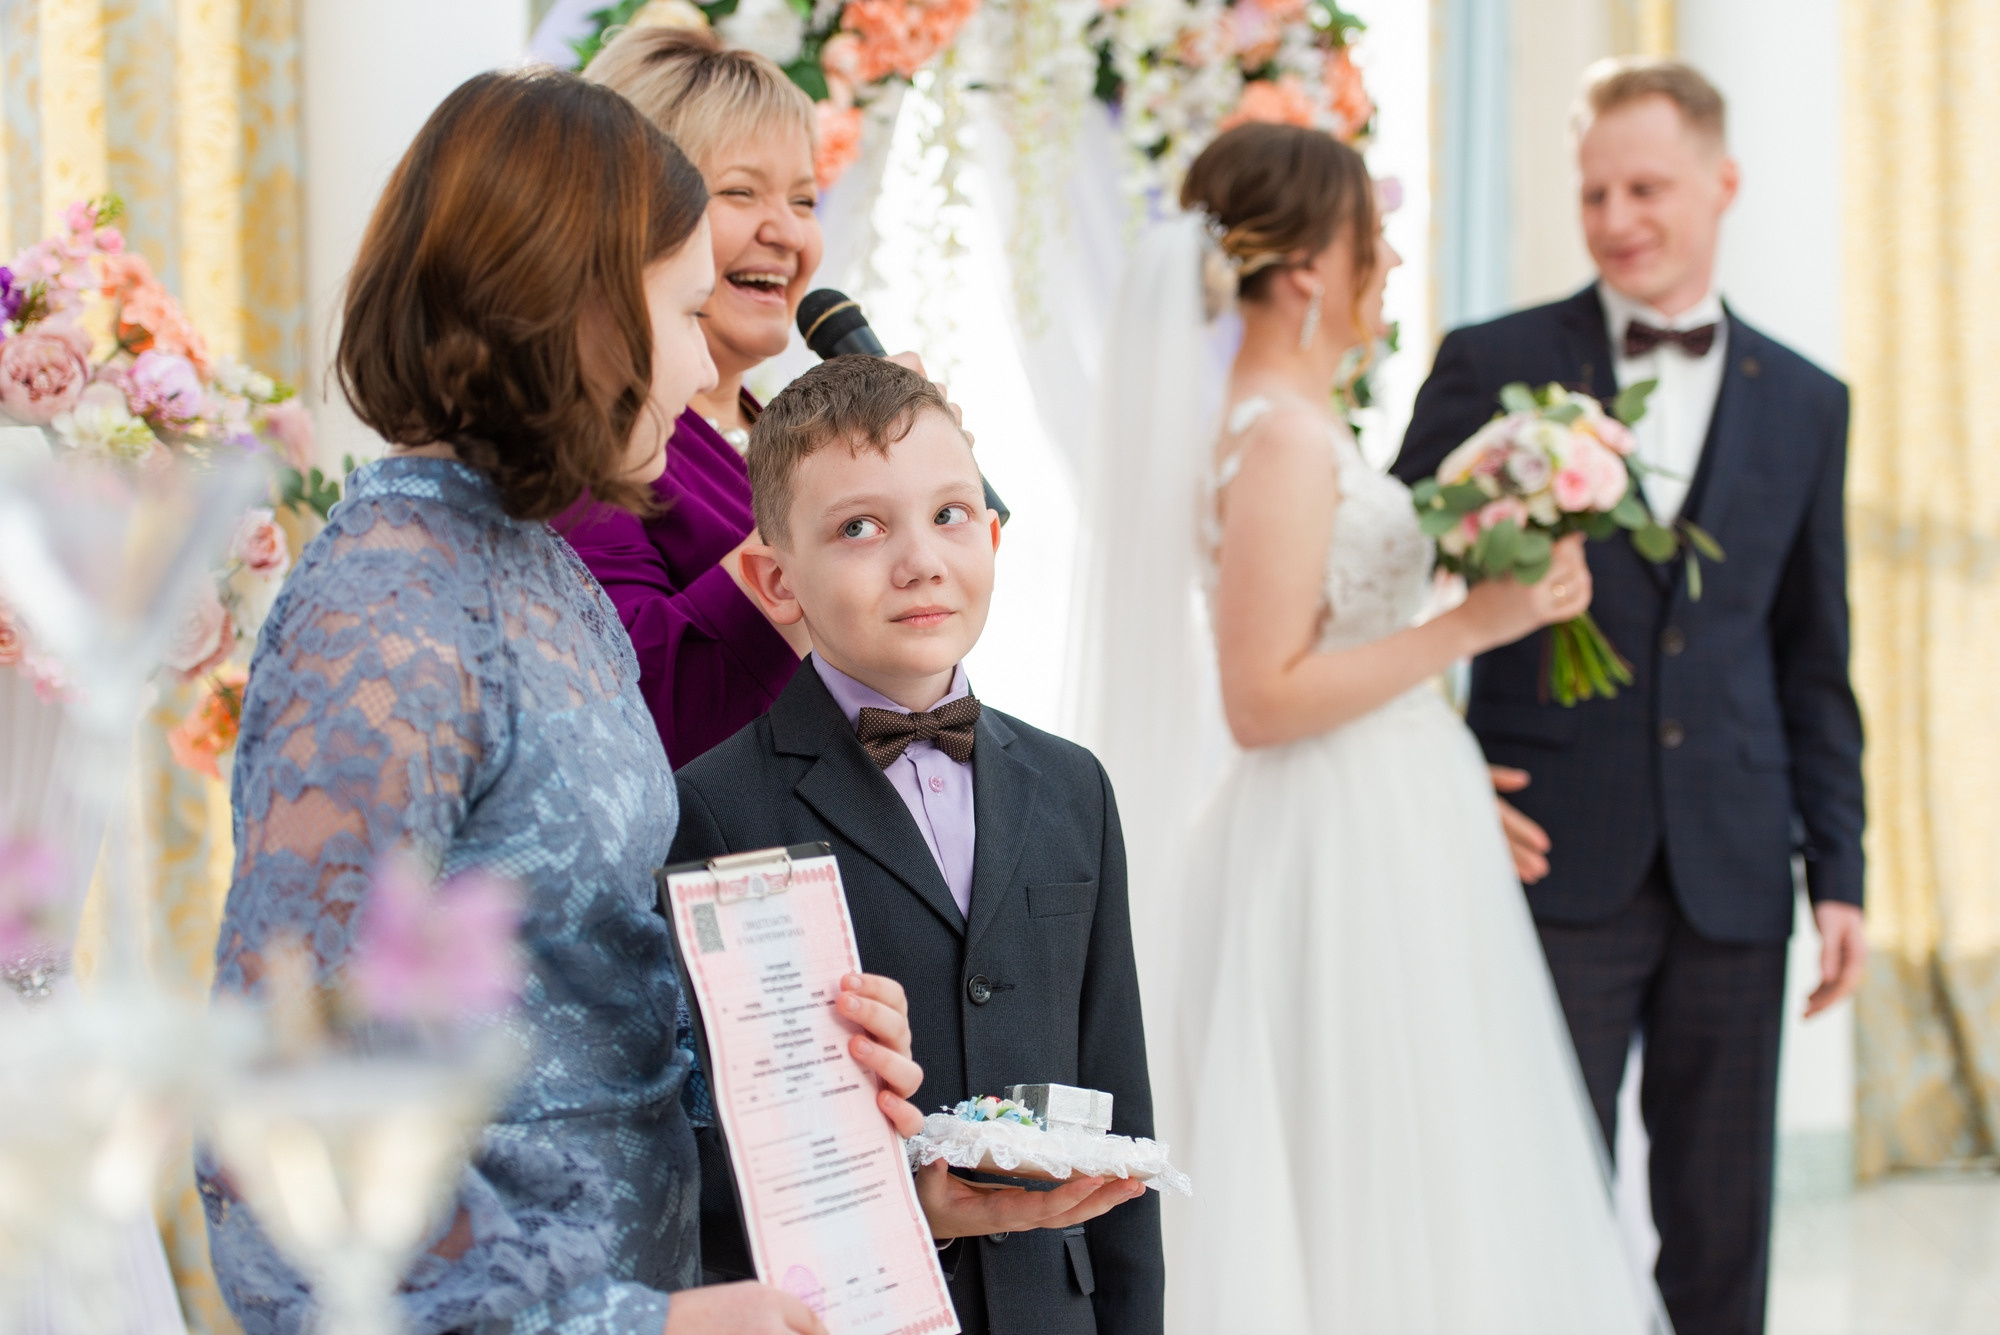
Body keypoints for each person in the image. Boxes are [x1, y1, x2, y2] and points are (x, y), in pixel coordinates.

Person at [201, 70, 927, 1335]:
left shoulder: (533, 566)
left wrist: (845, 1151)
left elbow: (599, 998)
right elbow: (285, 1112)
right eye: (687, 310)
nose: (709, 359)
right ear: (586, 313)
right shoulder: (385, 611)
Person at [1095, 123, 1659, 1331]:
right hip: (1330, 837)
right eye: (1373, 237)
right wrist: (1477, 622)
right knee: (1375, 1155)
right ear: (1307, 268)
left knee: (1426, 1149)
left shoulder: (1293, 425)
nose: (1390, 261)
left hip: (1386, 812)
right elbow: (1261, 698)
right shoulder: (1283, 442)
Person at [1392, 58, 1866, 1335]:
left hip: (1734, 862)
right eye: (1593, 192)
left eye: (1644, 187)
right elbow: (1374, 590)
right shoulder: (1491, 364)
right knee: (1531, 1194)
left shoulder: (1809, 403)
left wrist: (1839, 872)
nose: (1614, 219)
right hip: (1550, 850)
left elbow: (1810, 655)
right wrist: (1437, 778)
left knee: (1723, 1224)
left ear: (1722, 184)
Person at [669, 356, 1163, 1335]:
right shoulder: (716, 806)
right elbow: (714, 1149)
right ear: (777, 579)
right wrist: (901, 1207)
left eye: (948, 514)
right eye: (859, 527)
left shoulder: (1074, 789)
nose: (919, 561)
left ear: (989, 531)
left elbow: (1120, 1104)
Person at [558, 27, 819, 767]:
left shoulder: (772, 427)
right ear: (636, 213)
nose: (789, 231)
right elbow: (634, 708)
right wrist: (840, 497)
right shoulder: (595, 442)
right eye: (740, 191)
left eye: (805, 198)